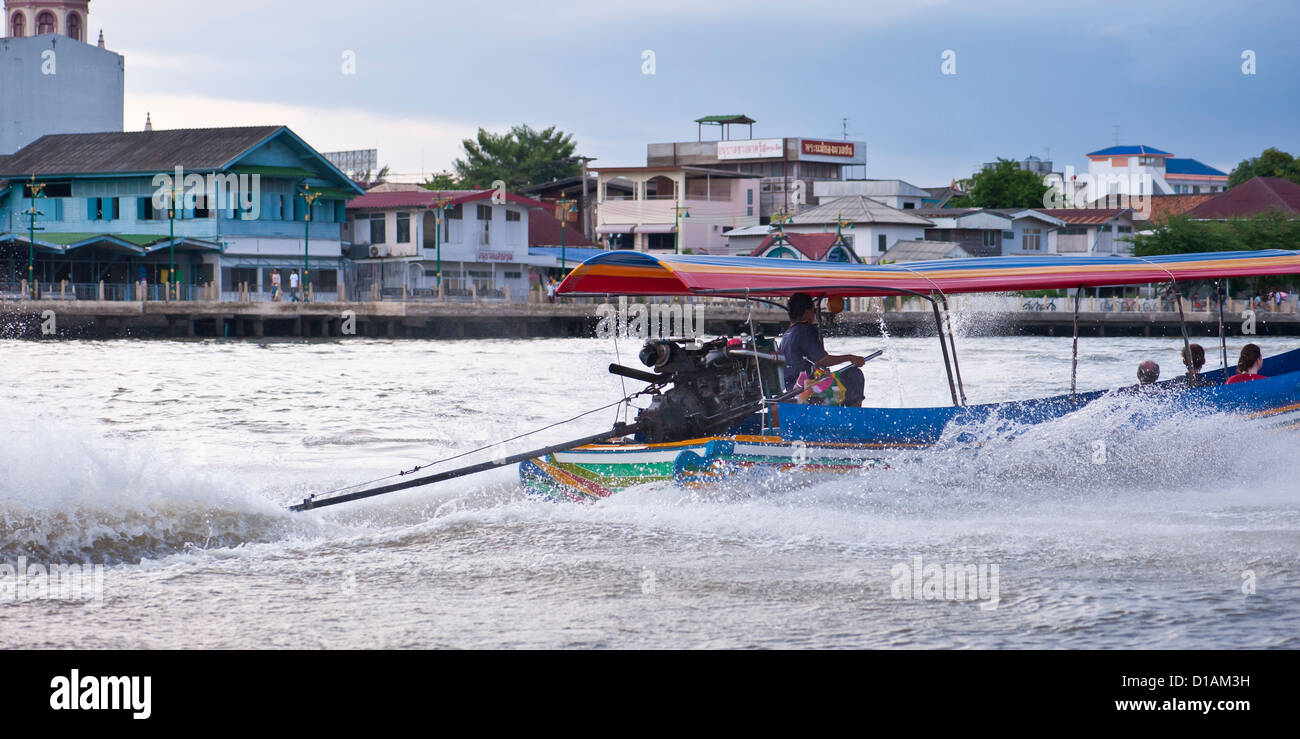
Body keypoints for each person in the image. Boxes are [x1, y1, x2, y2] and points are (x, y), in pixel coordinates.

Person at [779, 292, 867, 407]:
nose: (814, 314)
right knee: (854, 374)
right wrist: (851, 357)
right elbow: (823, 360)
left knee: (831, 377)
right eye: (814, 311)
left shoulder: (787, 335)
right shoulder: (805, 330)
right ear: (807, 311)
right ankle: (855, 416)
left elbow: (811, 364)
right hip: (806, 389)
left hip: (792, 389)